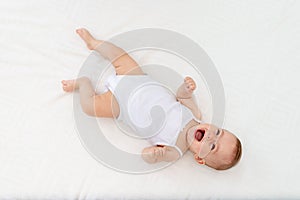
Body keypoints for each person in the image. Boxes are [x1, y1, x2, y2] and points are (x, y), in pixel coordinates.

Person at [61, 28, 242, 170]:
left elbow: (147, 156)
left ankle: (83, 84)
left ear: (199, 158)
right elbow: (181, 96)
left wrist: (153, 154)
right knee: (119, 55)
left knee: (89, 107)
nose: (211, 136)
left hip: (120, 106)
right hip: (138, 80)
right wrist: (186, 88)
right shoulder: (195, 114)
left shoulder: (175, 151)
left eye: (212, 147)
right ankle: (94, 43)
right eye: (218, 133)